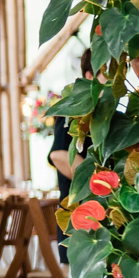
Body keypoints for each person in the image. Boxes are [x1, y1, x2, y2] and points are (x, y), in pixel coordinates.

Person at [50, 49, 94, 198]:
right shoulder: (72, 111)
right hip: (79, 212)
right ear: (89, 76)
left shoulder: (115, 116)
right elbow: (59, 155)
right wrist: (99, 183)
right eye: (108, 76)